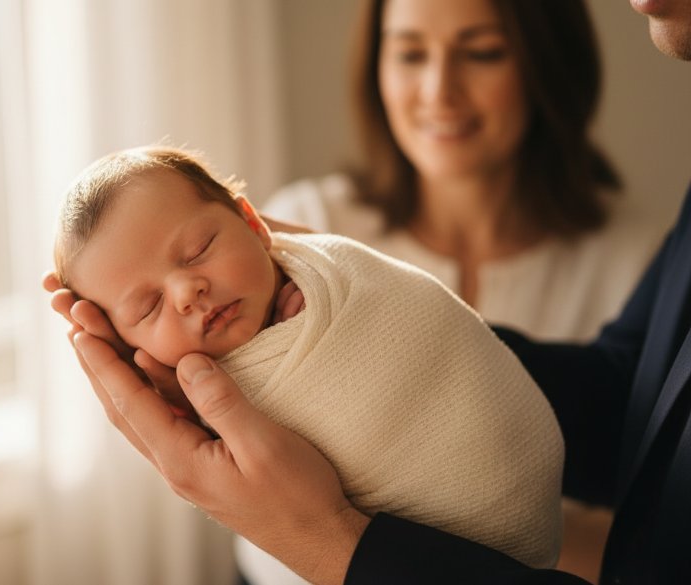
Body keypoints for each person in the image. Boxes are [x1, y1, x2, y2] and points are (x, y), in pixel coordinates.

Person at [44, 0, 691, 581]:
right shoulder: (307, 229)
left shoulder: (626, 249)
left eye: (483, 51)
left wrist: (333, 537)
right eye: (149, 305)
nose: (188, 291)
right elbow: (629, 400)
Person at [257, 0, 666, 581]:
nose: (438, 90)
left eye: (482, 53)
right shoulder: (301, 226)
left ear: (546, 63)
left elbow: (652, 544)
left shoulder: (637, 257)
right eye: (410, 53)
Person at [53, 145, 564, 568]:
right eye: (149, 306)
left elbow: (418, 321)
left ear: (253, 223)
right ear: (130, 346)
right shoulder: (187, 393)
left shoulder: (320, 268)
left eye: (198, 249)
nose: (187, 291)